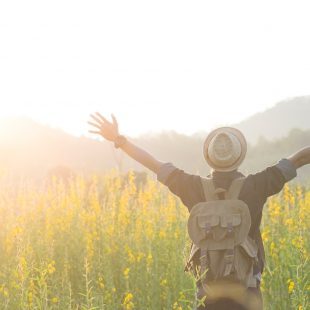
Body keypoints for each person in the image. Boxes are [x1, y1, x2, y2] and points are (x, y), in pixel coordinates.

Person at [88, 112, 310, 310]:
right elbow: (299, 158)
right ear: (239, 155)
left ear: (209, 156)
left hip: (207, 296)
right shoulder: (257, 186)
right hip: (247, 295)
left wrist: (119, 140)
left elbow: (153, 164)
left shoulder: (191, 187)